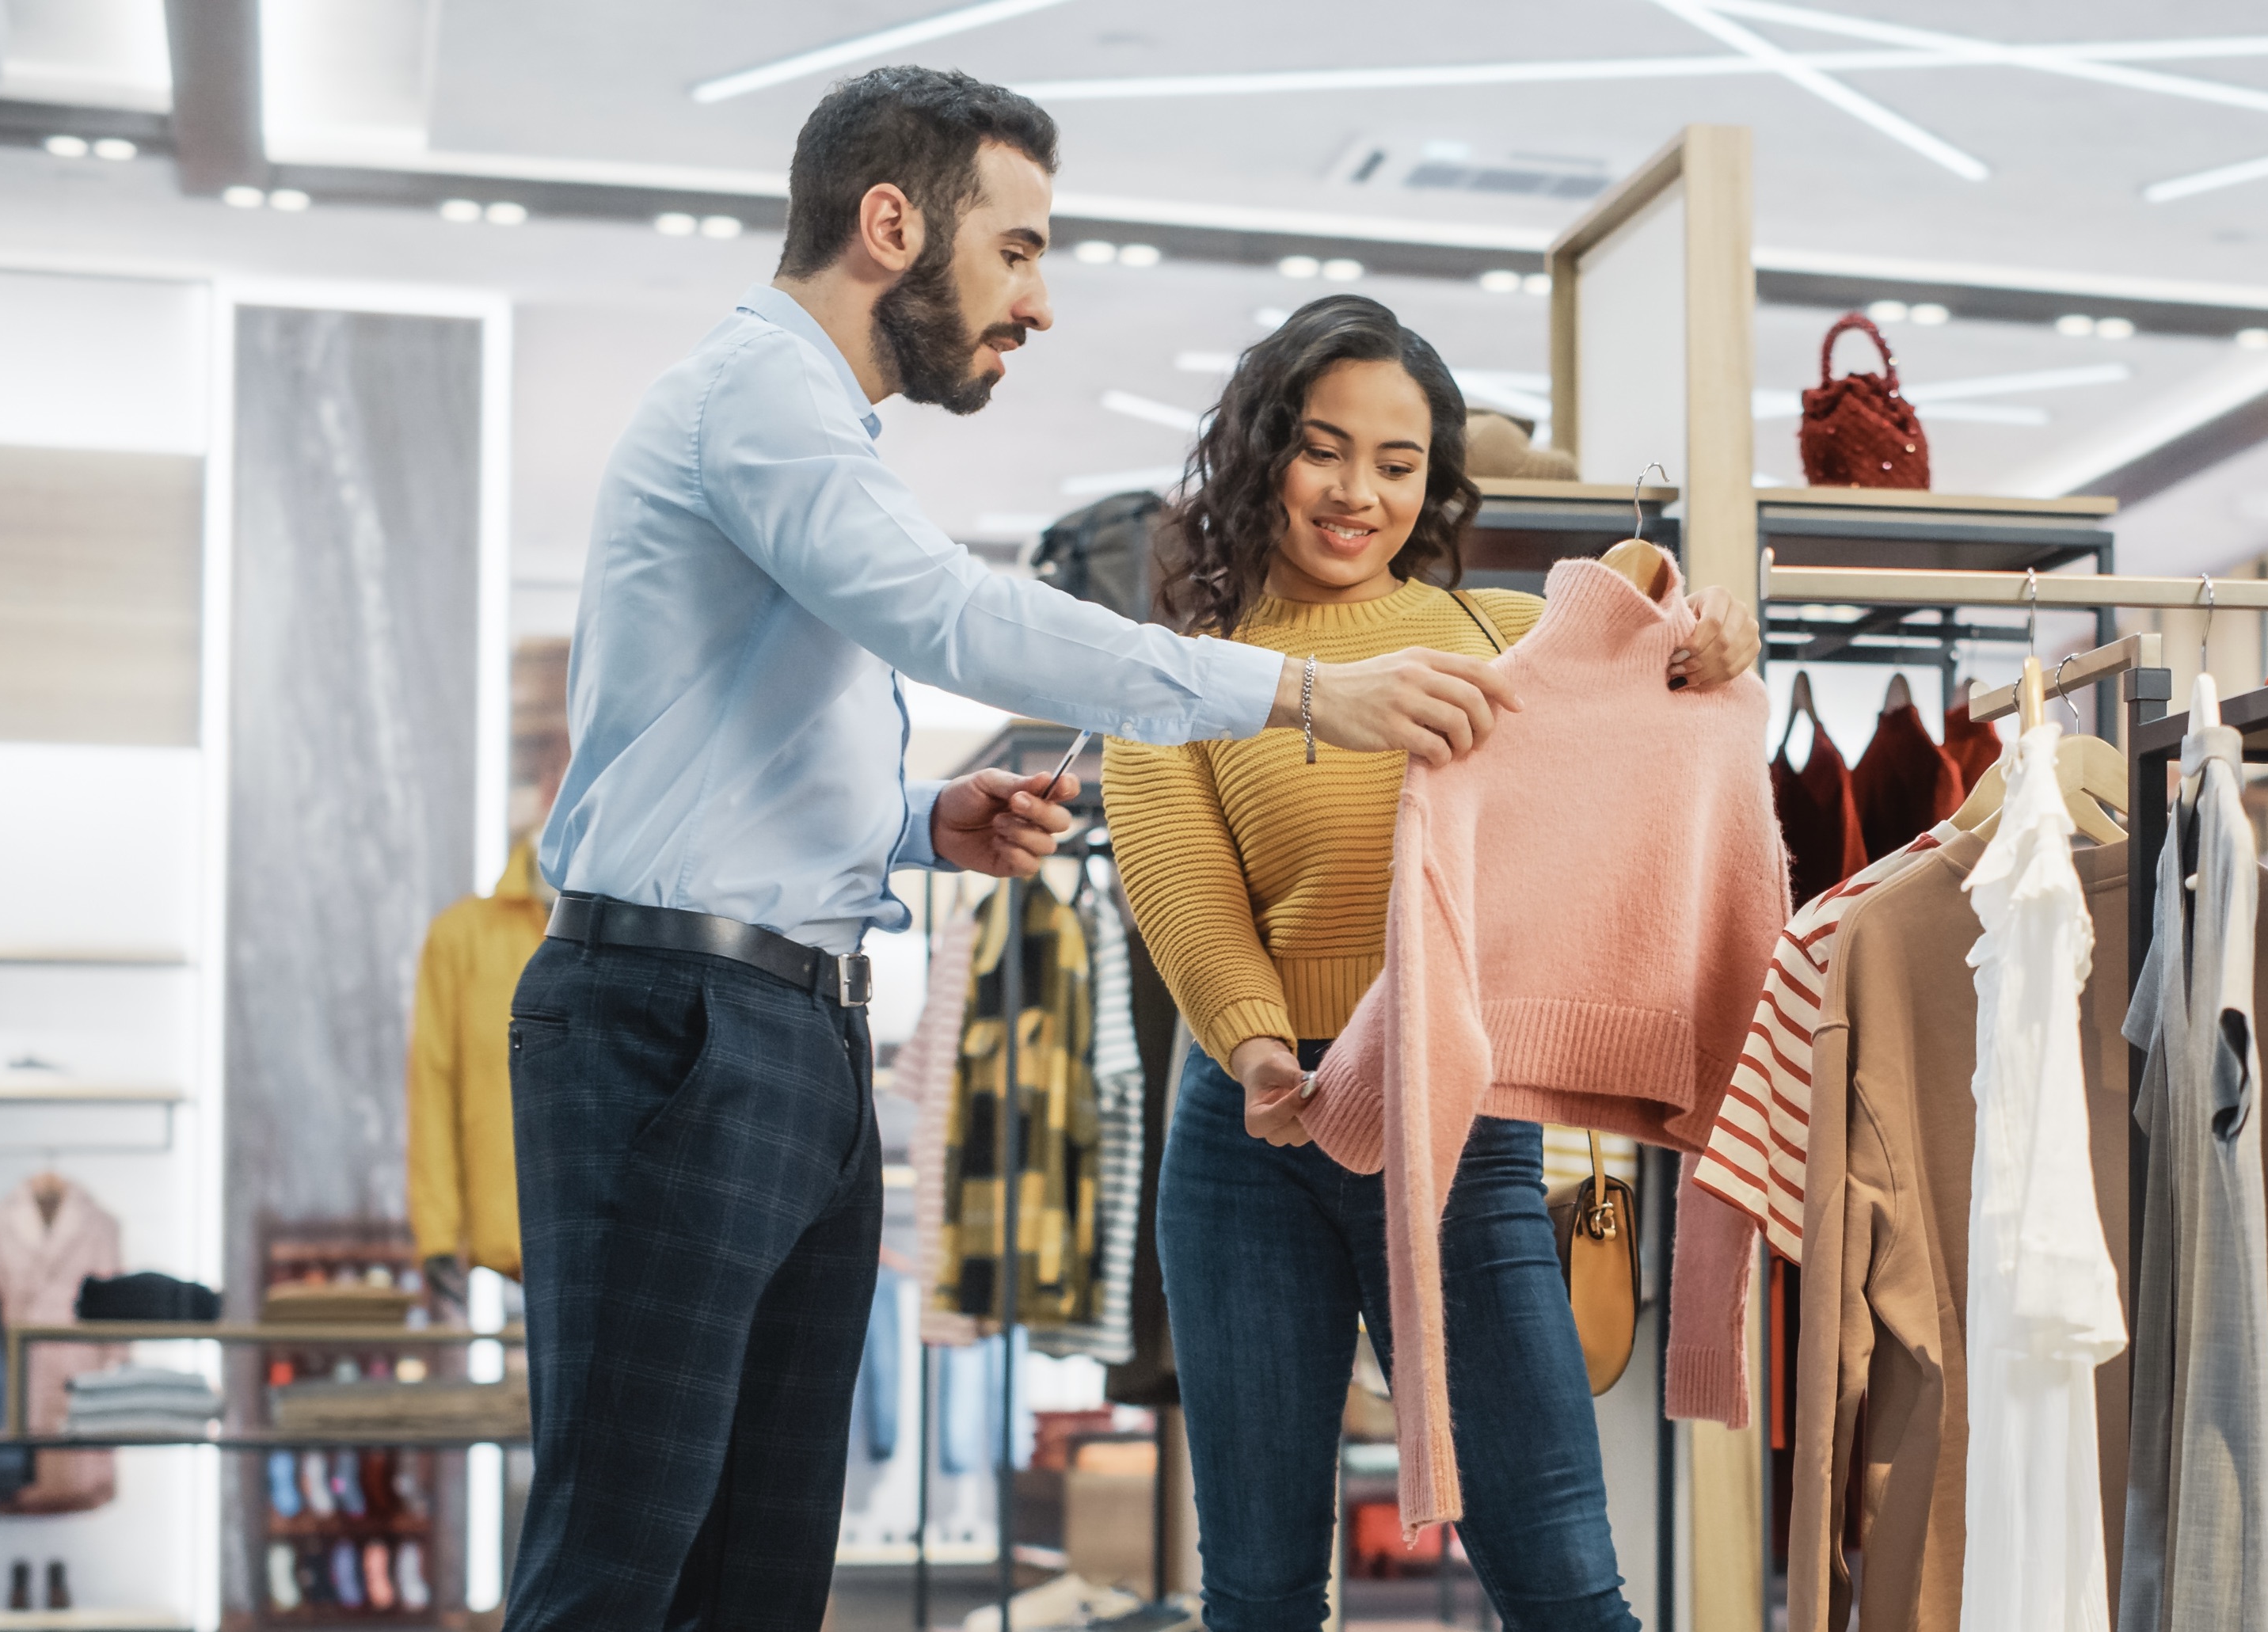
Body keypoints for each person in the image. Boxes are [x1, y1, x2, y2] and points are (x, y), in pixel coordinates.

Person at [504, 70, 1542, 1627]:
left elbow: (720, 751)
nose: (1037, 300)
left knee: (753, 1565)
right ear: (889, 225)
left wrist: (919, 822)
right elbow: (953, 616)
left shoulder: (812, 425)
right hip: (677, 1020)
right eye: (1018, 249)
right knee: (624, 1550)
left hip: (778, 1022)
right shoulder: (759, 401)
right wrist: (1308, 688)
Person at [1102, 294, 1759, 1632]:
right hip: (1252, 1137)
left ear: (1432, 481)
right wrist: (1257, 1047)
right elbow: (1184, 891)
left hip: (1463, 1127)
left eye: (1397, 466)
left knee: (1566, 1580)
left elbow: (1650, 694)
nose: (1358, 494)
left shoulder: (1495, 638)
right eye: (1323, 450)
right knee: (1262, 1591)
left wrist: (1711, 649)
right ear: (1259, 453)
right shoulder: (1186, 675)